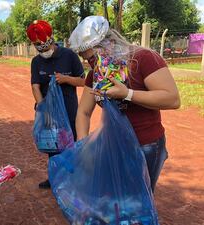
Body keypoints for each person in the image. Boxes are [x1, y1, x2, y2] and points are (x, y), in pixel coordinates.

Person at [69, 16, 180, 192]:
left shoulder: (143, 58)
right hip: (112, 145)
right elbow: (83, 112)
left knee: (139, 200)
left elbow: (172, 99)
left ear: (105, 45)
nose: (89, 63)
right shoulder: (96, 73)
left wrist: (127, 94)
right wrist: (83, 145)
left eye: (90, 57)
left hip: (146, 145)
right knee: (118, 198)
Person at [27, 20, 86, 189]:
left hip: (69, 111)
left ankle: (72, 180)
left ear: (50, 39)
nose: (42, 50)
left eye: (43, 46)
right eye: (37, 47)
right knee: (51, 145)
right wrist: (42, 107)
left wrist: (66, 79)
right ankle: (54, 178)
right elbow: (35, 86)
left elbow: (83, 81)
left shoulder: (69, 56)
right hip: (48, 112)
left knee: (69, 145)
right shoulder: (36, 62)